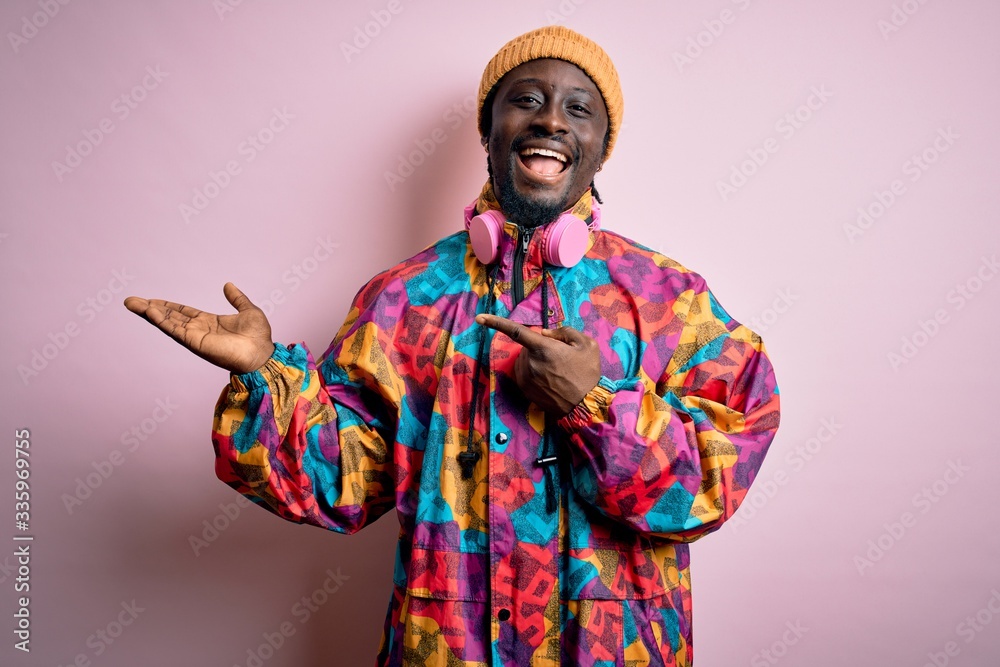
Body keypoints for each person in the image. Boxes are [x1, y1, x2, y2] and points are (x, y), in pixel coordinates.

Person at [125, 25, 780, 667]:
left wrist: (593, 404)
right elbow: (335, 483)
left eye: (578, 109)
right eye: (525, 99)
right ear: (486, 130)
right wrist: (264, 378)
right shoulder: (404, 299)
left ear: (601, 148)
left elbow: (712, 482)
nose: (550, 120)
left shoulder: (671, 299)